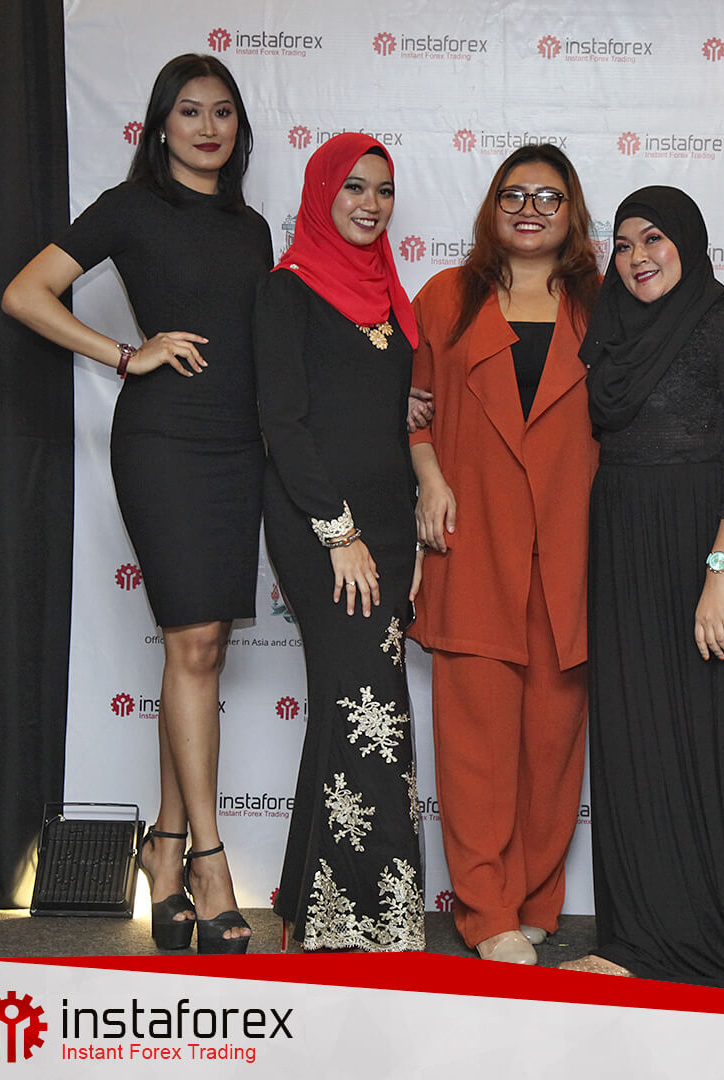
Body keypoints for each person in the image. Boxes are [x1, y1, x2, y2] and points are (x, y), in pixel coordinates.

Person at [2, 54, 270, 954]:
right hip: (164, 444)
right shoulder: (130, 208)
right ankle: (210, 862)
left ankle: (164, 847)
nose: (208, 127)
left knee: (204, 649)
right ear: (160, 124)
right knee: (192, 645)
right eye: (189, 111)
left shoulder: (252, 228)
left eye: (223, 112)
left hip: (239, 448)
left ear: (238, 129)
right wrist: (124, 353)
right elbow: (24, 293)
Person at [560, 187, 724, 988]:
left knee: (704, 738)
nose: (638, 257)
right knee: (634, 739)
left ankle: (712, 929)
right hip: (624, 546)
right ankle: (635, 939)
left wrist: (720, 576)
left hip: (707, 549)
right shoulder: (611, 331)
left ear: (688, 239)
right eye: (623, 244)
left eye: (654, 238)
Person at [408, 145, 600, 964]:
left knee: (553, 747)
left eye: (548, 197)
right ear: (492, 207)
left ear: (572, 212)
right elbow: (414, 408)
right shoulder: (445, 297)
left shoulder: (605, 304)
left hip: (572, 550)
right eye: (513, 195)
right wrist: (428, 478)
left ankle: (533, 901)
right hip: (475, 540)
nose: (529, 210)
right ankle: (487, 914)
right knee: (476, 748)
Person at [254, 133, 424, 952]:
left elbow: (376, 416)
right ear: (323, 192)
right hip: (322, 527)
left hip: (388, 529)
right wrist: (339, 533)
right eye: (354, 186)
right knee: (369, 712)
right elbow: (284, 424)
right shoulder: (287, 289)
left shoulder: (391, 295)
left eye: (383, 190)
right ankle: (366, 927)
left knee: (345, 710)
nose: (370, 203)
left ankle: (312, 909)